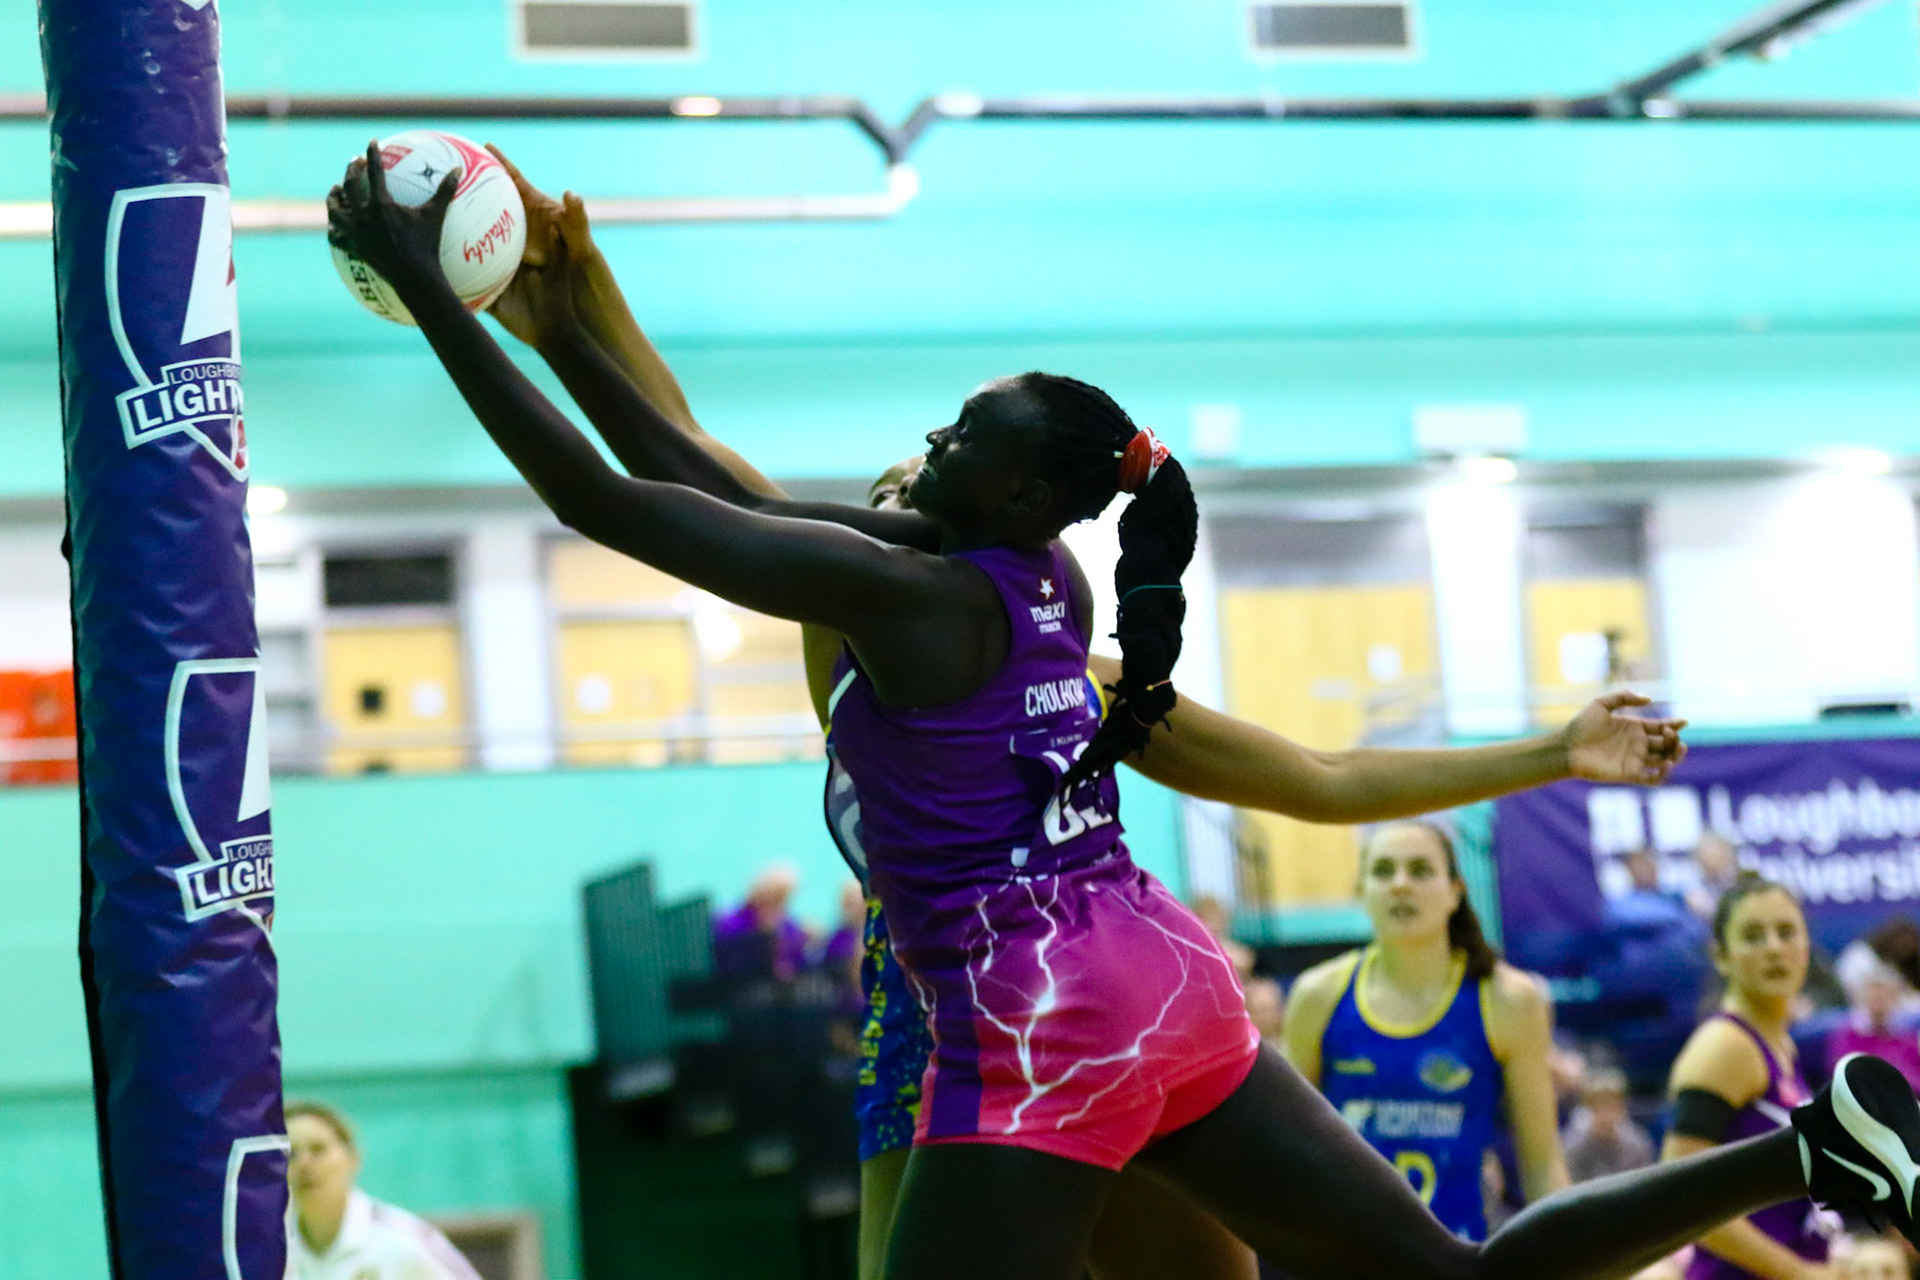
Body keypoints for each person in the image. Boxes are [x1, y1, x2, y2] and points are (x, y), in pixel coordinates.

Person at [331, 149, 1920, 1280]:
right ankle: (1815, 1148)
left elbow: (620, 505)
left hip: (1030, 1018)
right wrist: (574, 317)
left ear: (1012, 490)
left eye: (949, 437)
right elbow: (722, 481)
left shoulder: (919, 601)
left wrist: (437, 297)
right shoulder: (1031, 578)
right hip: (1159, 974)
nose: (922, 448)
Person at [1284, 821, 1570, 1240]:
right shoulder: (1317, 995)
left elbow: (1542, 1166)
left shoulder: (1508, 999)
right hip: (1345, 1260)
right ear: (1361, 889)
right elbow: (1289, 1156)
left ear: (1455, 892)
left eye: (1420, 870)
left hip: (1457, 1254)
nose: (1400, 885)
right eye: (1383, 871)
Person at [1660, 874, 1841, 1280]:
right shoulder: (1725, 1046)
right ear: (1721, 956)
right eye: (1753, 936)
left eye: (1786, 932)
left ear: (1807, 947)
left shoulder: (1781, 1046)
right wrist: (1794, 1271)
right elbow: (1680, 1200)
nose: (1774, 948)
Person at [286, 1102, 482, 1280]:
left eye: (318, 1149)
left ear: (353, 1158)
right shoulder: (274, 1251)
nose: (304, 1164)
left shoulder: (405, 1241)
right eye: (291, 1154)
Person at [711, 862, 810, 981]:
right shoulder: (733, 919)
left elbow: (798, 959)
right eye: (774, 896)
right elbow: (726, 957)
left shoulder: (787, 924)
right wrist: (762, 935)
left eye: (781, 898)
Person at [1564, 1066, 1657, 1184]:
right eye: (1602, 1104)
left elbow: (1645, 1184)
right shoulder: (1573, 1147)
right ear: (1590, 1107)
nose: (1608, 1112)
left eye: (1613, 1104)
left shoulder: (1637, 1143)